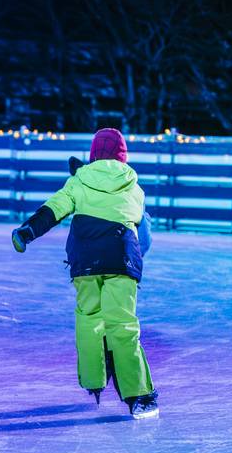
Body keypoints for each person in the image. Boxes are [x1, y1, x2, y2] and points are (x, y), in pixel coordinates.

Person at [11, 128, 158, 419]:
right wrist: (136, 257)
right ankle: (139, 396)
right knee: (122, 326)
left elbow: (53, 209)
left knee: (89, 320)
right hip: (122, 261)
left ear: (93, 155)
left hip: (85, 262)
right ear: (122, 156)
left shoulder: (78, 182)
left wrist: (27, 231)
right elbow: (145, 233)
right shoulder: (134, 188)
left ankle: (94, 381)